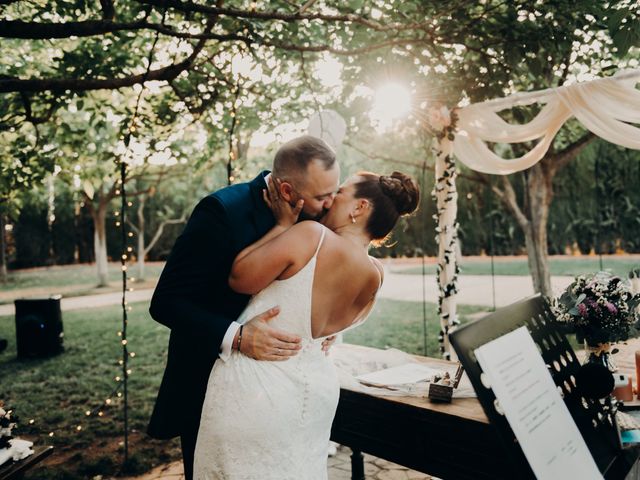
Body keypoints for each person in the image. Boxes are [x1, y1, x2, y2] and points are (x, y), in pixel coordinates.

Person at [193, 170, 420, 479]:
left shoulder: (311, 236)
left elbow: (239, 277)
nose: (331, 200)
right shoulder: (375, 274)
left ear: (359, 208)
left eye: (341, 192)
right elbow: (329, 328)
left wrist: (283, 226)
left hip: (259, 390)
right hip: (316, 397)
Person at [147, 136, 341, 480]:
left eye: (334, 192)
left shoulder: (313, 217)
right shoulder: (222, 212)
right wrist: (237, 337)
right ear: (285, 191)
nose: (331, 204)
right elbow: (167, 302)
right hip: (210, 388)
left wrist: (328, 325)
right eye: (322, 197)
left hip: (281, 391)